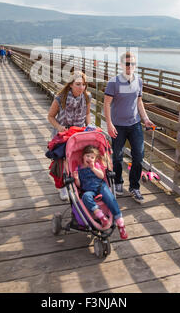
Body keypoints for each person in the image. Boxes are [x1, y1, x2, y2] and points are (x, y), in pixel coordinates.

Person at [104, 51, 154, 203]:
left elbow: (139, 102)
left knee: (138, 156)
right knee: (117, 156)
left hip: (135, 124)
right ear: (121, 65)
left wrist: (145, 119)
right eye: (127, 63)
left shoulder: (138, 81)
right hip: (118, 125)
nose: (130, 66)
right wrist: (109, 123)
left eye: (132, 63)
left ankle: (135, 187)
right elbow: (106, 103)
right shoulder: (113, 82)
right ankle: (118, 182)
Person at [48, 71, 91, 200]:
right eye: (78, 84)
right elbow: (50, 117)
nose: (81, 88)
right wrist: (60, 127)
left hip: (79, 132)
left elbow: (87, 114)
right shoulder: (60, 98)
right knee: (62, 162)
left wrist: (89, 127)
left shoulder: (87, 97)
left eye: (83, 84)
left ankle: (77, 183)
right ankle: (62, 187)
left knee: (79, 160)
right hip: (63, 134)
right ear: (70, 85)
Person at [72, 145, 128, 240]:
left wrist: (93, 168)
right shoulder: (78, 169)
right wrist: (76, 179)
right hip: (88, 190)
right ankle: (101, 216)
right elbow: (79, 185)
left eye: (92, 157)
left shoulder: (96, 165)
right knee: (85, 196)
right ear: (83, 156)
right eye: (87, 156)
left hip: (100, 186)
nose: (89, 158)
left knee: (111, 199)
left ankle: (120, 224)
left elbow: (102, 176)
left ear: (95, 159)